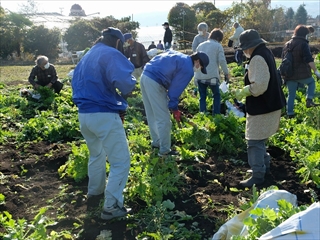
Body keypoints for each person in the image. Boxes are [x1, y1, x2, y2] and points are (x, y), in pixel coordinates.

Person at [71, 27, 136, 220]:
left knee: (96, 155)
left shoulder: (88, 55)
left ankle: (95, 192)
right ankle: (111, 207)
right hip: (104, 114)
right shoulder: (111, 53)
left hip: (84, 115)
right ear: (117, 41)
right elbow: (125, 83)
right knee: (121, 161)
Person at [234, 29, 286, 187]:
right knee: (260, 139)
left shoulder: (257, 58)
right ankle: (264, 166)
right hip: (272, 104)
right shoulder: (266, 52)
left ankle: (257, 176)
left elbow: (260, 86)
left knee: (254, 141)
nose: (244, 52)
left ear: (249, 47)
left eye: (244, 48)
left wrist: (246, 90)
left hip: (263, 106)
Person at [140, 50, 209, 157]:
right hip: (155, 81)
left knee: (152, 114)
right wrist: (174, 108)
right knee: (164, 119)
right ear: (197, 61)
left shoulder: (180, 56)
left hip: (145, 75)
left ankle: (156, 142)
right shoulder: (188, 69)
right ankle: (164, 151)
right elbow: (174, 92)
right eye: (201, 67)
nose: (199, 69)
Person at [281, 24, 320, 118]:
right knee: (311, 82)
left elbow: (283, 59)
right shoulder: (303, 44)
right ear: (304, 34)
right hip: (302, 75)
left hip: (289, 74)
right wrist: (316, 71)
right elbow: (308, 59)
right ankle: (309, 100)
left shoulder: (287, 44)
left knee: (291, 94)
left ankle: (290, 114)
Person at [195, 28, 230, 115]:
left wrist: (195, 75)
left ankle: (202, 115)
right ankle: (216, 115)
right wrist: (226, 73)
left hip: (200, 75)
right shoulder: (218, 46)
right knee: (216, 95)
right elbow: (222, 60)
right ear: (218, 38)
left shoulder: (200, 45)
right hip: (212, 76)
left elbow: (195, 60)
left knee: (202, 97)